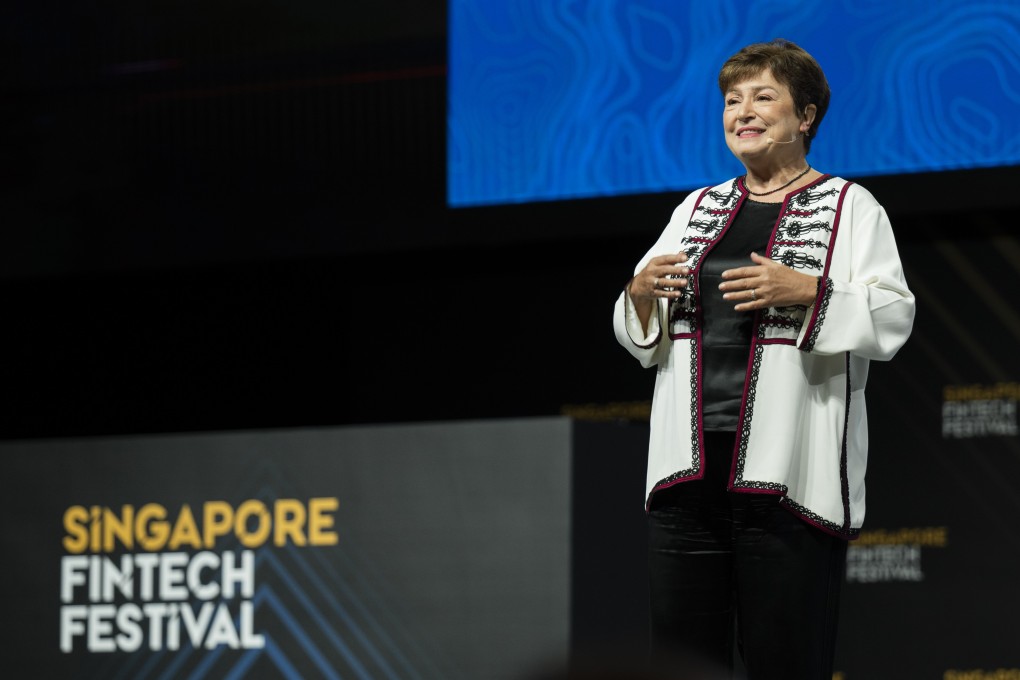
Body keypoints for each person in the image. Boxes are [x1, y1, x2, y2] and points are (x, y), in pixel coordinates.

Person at [613, 39, 915, 679]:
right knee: (681, 666)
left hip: (788, 481)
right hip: (687, 479)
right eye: (732, 100)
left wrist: (808, 290)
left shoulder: (850, 206)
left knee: (787, 664)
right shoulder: (696, 208)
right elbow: (641, 328)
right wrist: (638, 293)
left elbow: (893, 316)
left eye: (762, 97)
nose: (742, 112)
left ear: (805, 116)